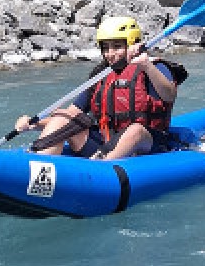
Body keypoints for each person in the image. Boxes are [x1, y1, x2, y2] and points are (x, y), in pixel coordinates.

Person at [15, 15, 185, 160]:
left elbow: (169, 95)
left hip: (147, 145)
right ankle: (40, 163)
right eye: (105, 48)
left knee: (135, 130)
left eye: (117, 47)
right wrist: (33, 125)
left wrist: (146, 65)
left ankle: (101, 171)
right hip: (107, 142)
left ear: (132, 44)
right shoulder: (101, 74)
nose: (110, 54)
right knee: (61, 117)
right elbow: (72, 114)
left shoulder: (154, 67)